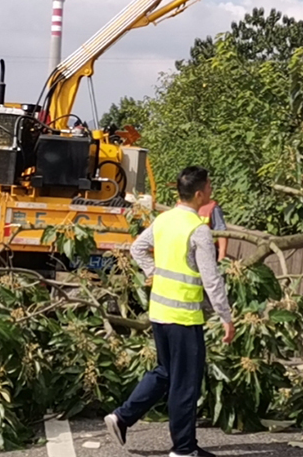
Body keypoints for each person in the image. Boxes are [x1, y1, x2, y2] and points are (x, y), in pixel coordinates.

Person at [105, 166, 235, 457]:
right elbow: (211, 279)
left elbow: (138, 247)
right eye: (209, 186)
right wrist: (226, 317)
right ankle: (184, 449)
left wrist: (152, 272)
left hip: (160, 312)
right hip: (185, 317)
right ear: (200, 193)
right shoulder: (198, 230)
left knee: (165, 372)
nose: (211, 190)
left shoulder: (163, 221)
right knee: (185, 383)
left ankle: (122, 417)